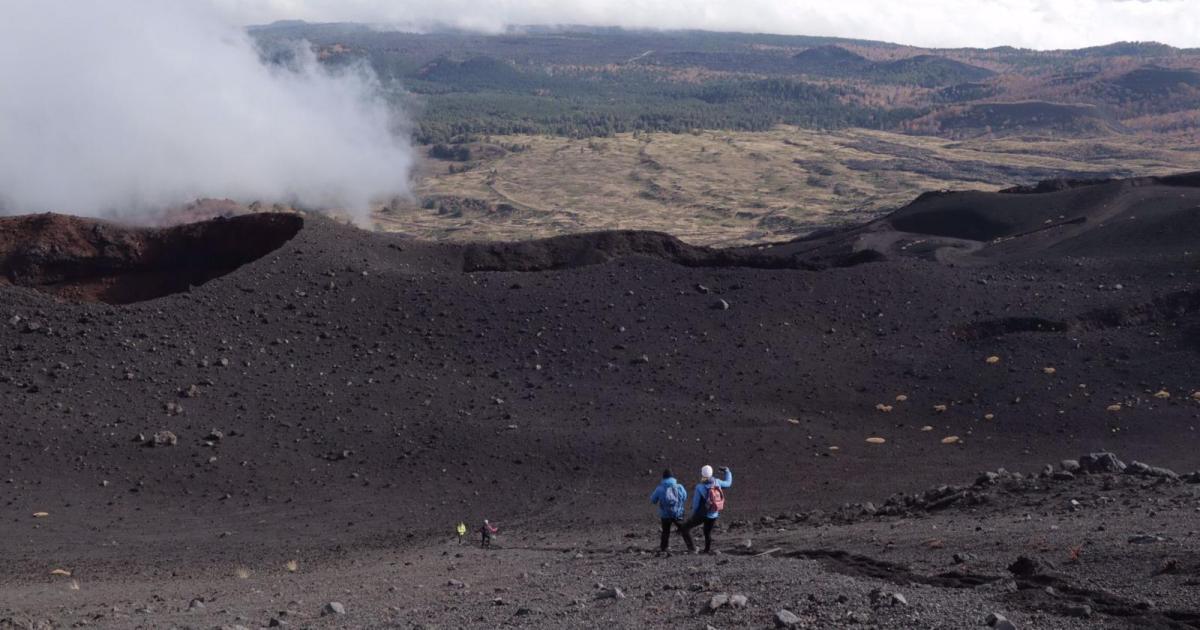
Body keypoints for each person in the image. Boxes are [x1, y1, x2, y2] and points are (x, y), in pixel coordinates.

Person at [682, 465, 733, 554]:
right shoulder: (717, 482)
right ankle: (707, 550)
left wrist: (693, 515)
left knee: (685, 528)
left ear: (702, 474)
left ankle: (692, 548)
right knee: (707, 532)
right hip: (714, 514)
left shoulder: (700, 487)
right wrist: (727, 472)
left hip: (702, 514)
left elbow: (696, 504)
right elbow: (728, 483)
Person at [649, 469, 694, 554]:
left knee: (665, 531)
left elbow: (653, 500)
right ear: (672, 477)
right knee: (684, 529)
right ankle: (692, 548)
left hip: (665, 514)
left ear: (663, 478)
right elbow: (684, 497)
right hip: (678, 513)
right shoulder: (679, 487)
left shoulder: (659, 488)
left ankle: (664, 548)